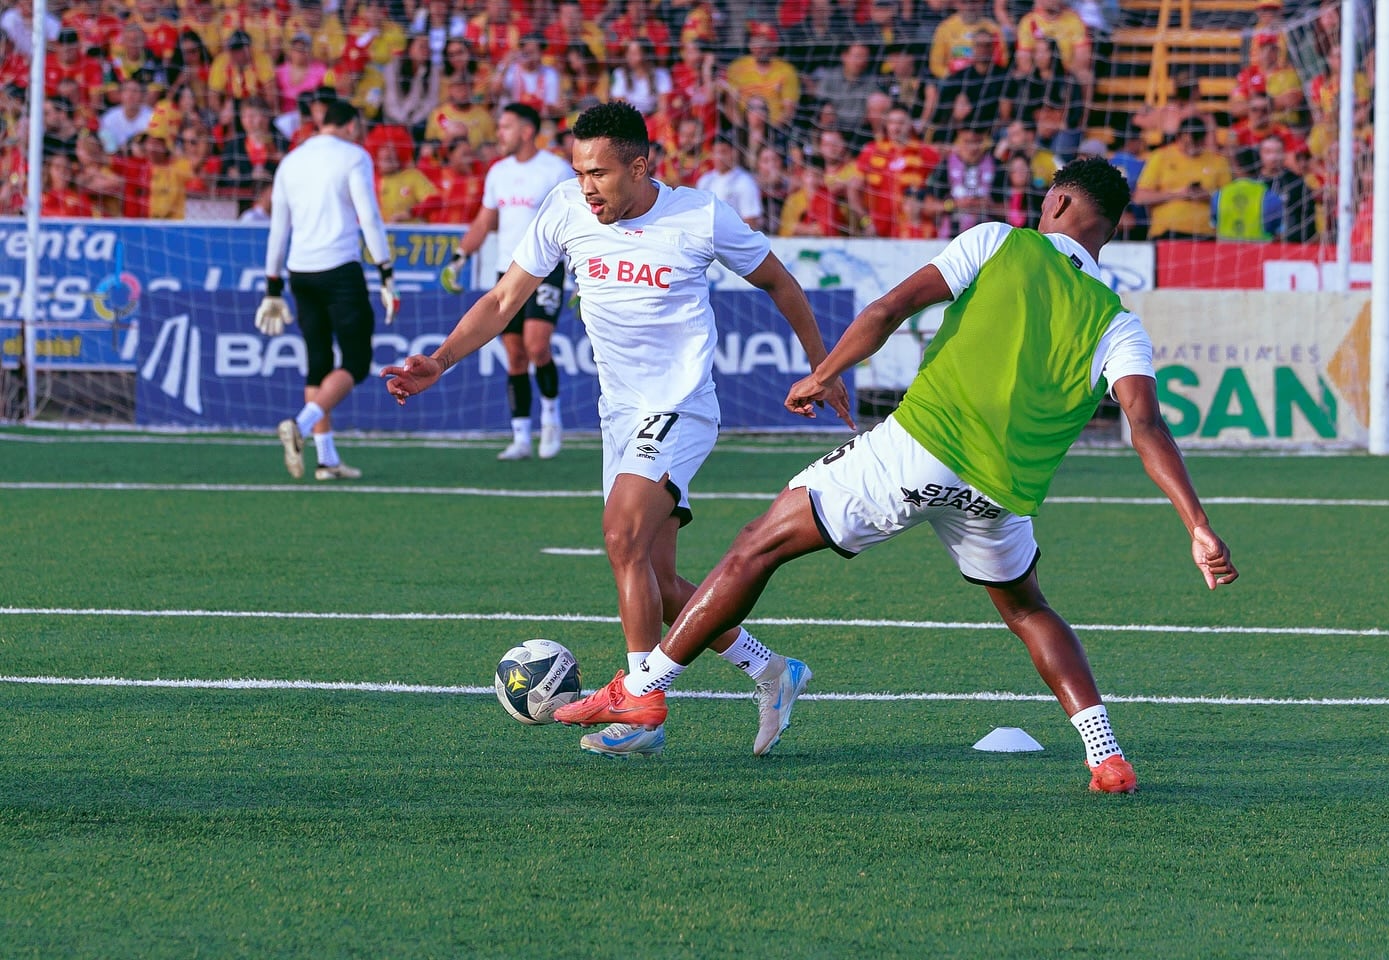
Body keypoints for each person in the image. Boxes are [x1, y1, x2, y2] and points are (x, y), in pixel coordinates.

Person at [554, 158, 1239, 794]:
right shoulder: (1120, 324)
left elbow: (887, 311)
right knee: (1028, 607)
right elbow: (1146, 425)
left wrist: (824, 375)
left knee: (755, 546)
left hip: (916, 449)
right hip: (999, 491)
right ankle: (1106, 753)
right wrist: (1198, 527)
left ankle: (645, 686)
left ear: (1057, 201)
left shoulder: (1000, 240)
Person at [384, 101, 854, 758]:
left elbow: (779, 281)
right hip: (621, 416)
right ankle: (770, 670)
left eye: (600, 172)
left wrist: (823, 367)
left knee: (620, 533)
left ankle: (643, 706)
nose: (587, 186)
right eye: (580, 171)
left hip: (681, 405)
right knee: (655, 581)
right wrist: (439, 359)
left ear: (641, 166)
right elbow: (501, 300)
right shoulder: (564, 209)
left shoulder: (698, 214)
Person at [258, 99, 398, 482]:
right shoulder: (353, 156)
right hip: (339, 269)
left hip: (299, 272)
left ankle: (326, 459)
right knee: (355, 359)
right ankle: (300, 427)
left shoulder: (291, 161)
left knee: (318, 362)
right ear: (351, 125)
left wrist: (272, 285)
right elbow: (368, 215)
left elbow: (278, 229)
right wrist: (385, 270)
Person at [440, 102, 574, 461]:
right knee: (514, 355)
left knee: (536, 345)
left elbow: (575, 222)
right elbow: (485, 221)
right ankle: (520, 436)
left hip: (545, 269)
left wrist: (578, 272)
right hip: (507, 271)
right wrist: (459, 258)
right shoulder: (497, 172)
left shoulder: (556, 169)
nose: (498, 133)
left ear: (527, 131)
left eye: (506, 127)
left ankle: (550, 419)